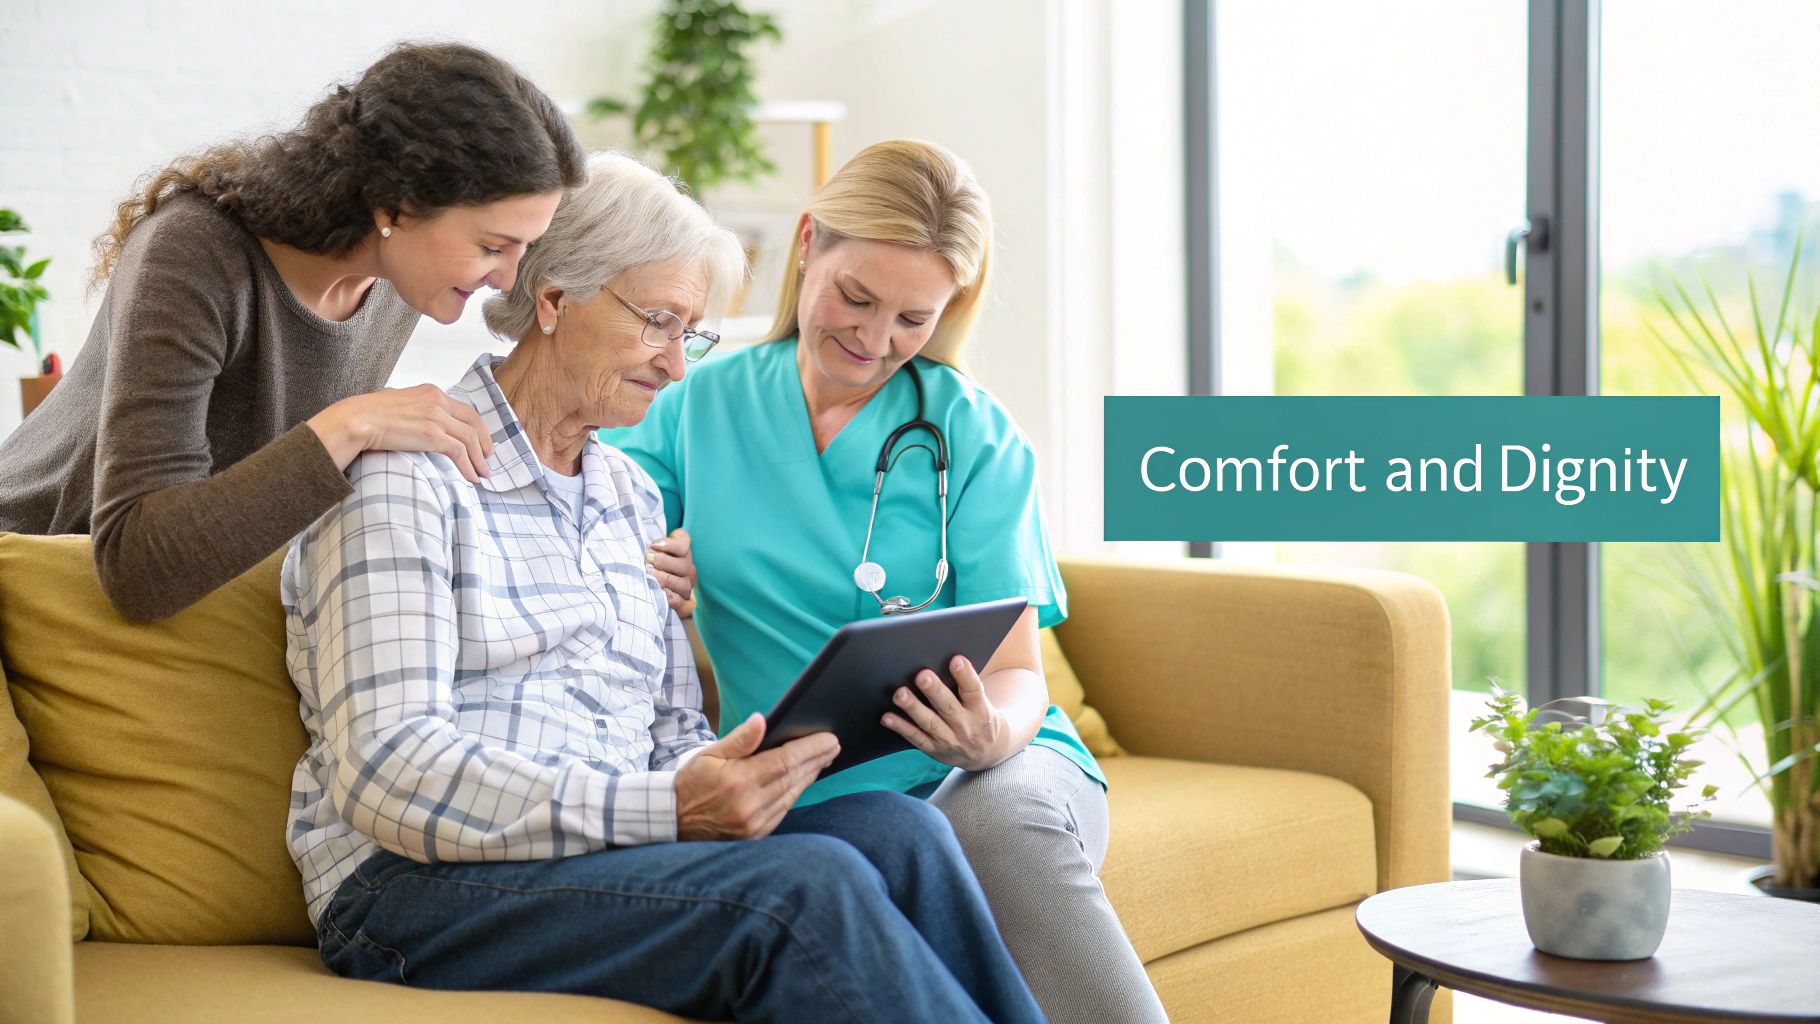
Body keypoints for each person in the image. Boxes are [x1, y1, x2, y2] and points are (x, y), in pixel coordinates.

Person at [284, 152, 1043, 1024]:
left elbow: (671, 733)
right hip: (412, 887)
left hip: (599, 856)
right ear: (556, 299)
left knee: (899, 833)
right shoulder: (410, 476)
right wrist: (665, 806)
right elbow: (386, 771)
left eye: (693, 334)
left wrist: (720, 778)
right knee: (804, 886)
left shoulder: (629, 496)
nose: (678, 366)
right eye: (658, 323)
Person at [605, 139, 1170, 1023]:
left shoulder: (972, 434)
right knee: (892, 851)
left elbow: (1018, 671)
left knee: (984, 821)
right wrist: (651, 563)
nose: (874, 343)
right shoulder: (695, 402)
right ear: (806, 247)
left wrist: (989, 737)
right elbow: (596, 524)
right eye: (856, 299)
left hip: (991, 770)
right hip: (805, 786)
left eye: (913, 320)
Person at [0, 42, 582, 622]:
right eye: (490, 246)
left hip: (181, 603)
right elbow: (139, 566)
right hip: (33, 572)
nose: (507, 277)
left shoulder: (395, 285)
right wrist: (354, 422)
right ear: (394, 206)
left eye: (522, 249)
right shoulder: (193, 256)